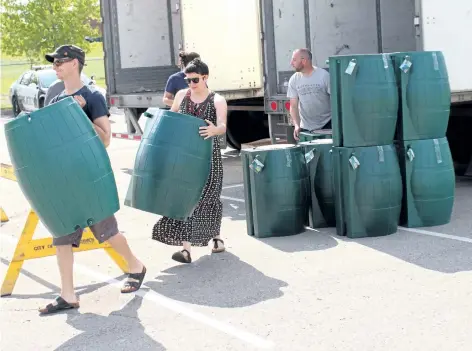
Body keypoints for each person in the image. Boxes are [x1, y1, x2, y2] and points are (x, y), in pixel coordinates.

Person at [39, 44, 146, 315]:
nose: (56, 67)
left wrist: (79, 115)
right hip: (64, 178)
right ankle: (68, 295)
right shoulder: (54, 98)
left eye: (59, 62)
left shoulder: (93, 96)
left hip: (89, 176)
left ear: (75, 63)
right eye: (53, 63)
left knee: (107, 232)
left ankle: (135, 266)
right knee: (62, 237)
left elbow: (106, 139)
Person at [152, 58, 227, 263]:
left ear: (205, 77)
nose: (191, 85)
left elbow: (222, 126)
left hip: (209, 159)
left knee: (209, 199)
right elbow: (172, 120)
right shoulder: (181, 95)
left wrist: (215, 130)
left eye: (195, 80)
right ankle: (186, 250)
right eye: (188, 81)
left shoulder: (217, 100)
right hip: (184, 158)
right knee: (185, 200)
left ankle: (216, 238)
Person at [287, 48, 331, 141]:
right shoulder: (294, 79)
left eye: (294, 60)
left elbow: (336, 100)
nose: (291, 63)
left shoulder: (324, 76)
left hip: (327, 124)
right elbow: (293, 106)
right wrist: (296, 125)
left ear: (304, 61)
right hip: (306, 127)